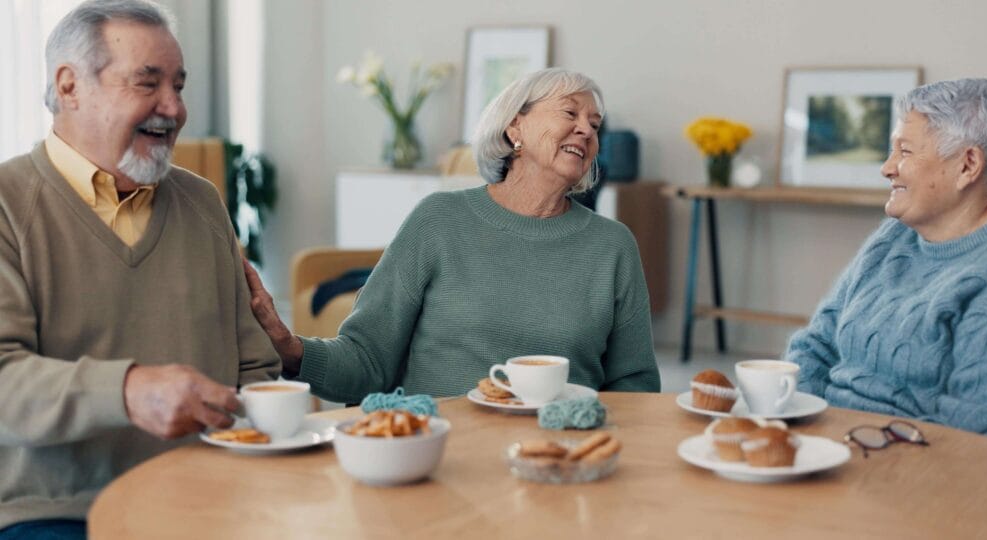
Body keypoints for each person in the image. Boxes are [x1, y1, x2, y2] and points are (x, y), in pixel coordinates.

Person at [0, 1, 279, 537]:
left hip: (207, 494)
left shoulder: (203, 201)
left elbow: (255, 367)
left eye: (178, 85)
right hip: (58, 512)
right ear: (69, 86)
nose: (172, 108)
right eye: (147, 83)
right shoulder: (9, 205)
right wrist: (126, 391)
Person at [246, 67, 660, 402]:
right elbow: (368, 358)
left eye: (594, 124)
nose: (587, 131)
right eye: (570, 114)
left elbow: (635, 385)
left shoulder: (612, 246)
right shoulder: (440, 220)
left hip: (556, 458)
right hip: (442, 454)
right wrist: (292, 350)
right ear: (515, 127)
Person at [786, 78, 987, 444]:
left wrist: (842, 448)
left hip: (909, 470)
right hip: (829, 444)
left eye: (905, 151)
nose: (887, 168)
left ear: (968, 165)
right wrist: (797, 428)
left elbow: (970, 434)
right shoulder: (896, 234)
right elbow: (816, 345)